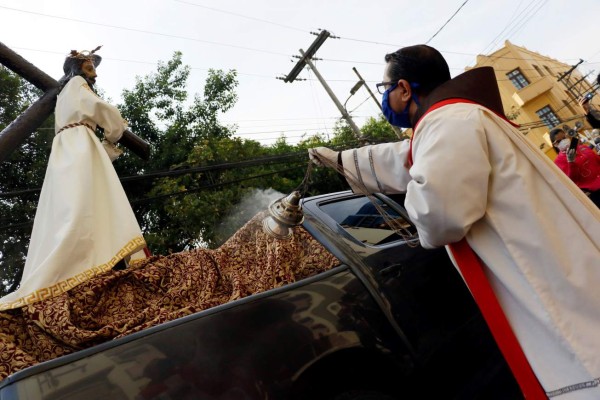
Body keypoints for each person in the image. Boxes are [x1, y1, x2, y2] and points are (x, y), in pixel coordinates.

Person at [309, 45, 600, 399]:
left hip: (548, 275)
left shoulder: (446, 123)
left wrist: (414, 196)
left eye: (383, 88)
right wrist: (341, 160)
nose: (384, 98)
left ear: (403, 88)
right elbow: (408, 158)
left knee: (581, 353)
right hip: (555, 257)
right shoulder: (454, 120)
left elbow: (440, 214)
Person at [0, 47, 147, 311]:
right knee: (85, 204)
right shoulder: (78, 85)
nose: (94, 75)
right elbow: (101, 108)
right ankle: (84, 261)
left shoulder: (63, 94)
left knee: (71, 204)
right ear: (77, 69)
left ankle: (82, 260)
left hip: (65, 149)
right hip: (80, 144)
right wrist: (114, 133)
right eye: (90, 68)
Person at [549, 127, 600, 207]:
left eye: (564, 138)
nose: (563, 141)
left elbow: (597, 160)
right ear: (555, 145)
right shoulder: (558, 162)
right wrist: (571, 162)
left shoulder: (583, 147)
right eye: (559, 141)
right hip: (595, 193)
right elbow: (571, 181)